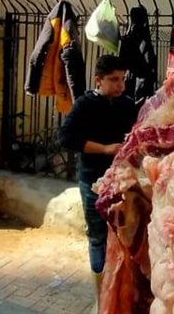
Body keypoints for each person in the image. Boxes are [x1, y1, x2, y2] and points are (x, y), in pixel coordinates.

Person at [58, 55, 138, 290]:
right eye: (114, 79)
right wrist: (104, 149)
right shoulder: (85, 105)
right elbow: (65, 137)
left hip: (123, 181)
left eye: (122, 79)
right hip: (92, 179)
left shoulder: (127, 105)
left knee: (125, 234)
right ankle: (101, 291)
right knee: (97, 236)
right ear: (98, 80)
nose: (120, 85)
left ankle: (121, 289)